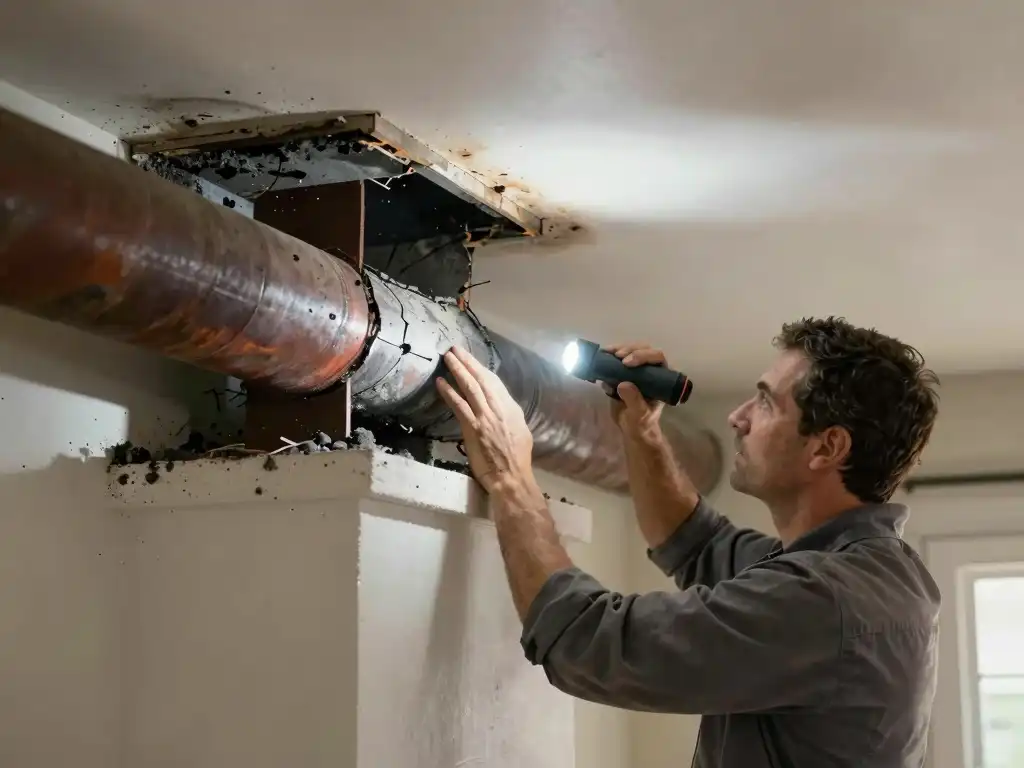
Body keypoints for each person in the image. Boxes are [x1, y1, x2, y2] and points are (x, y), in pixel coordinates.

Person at [435, 316, 941, 768]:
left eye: (766, 402)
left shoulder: (824, 600)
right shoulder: (865, 571)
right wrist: (642, 428)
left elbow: (587, 643)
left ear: (827, 447)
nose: (737, 417)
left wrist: (509, 476)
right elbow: (695, 543)